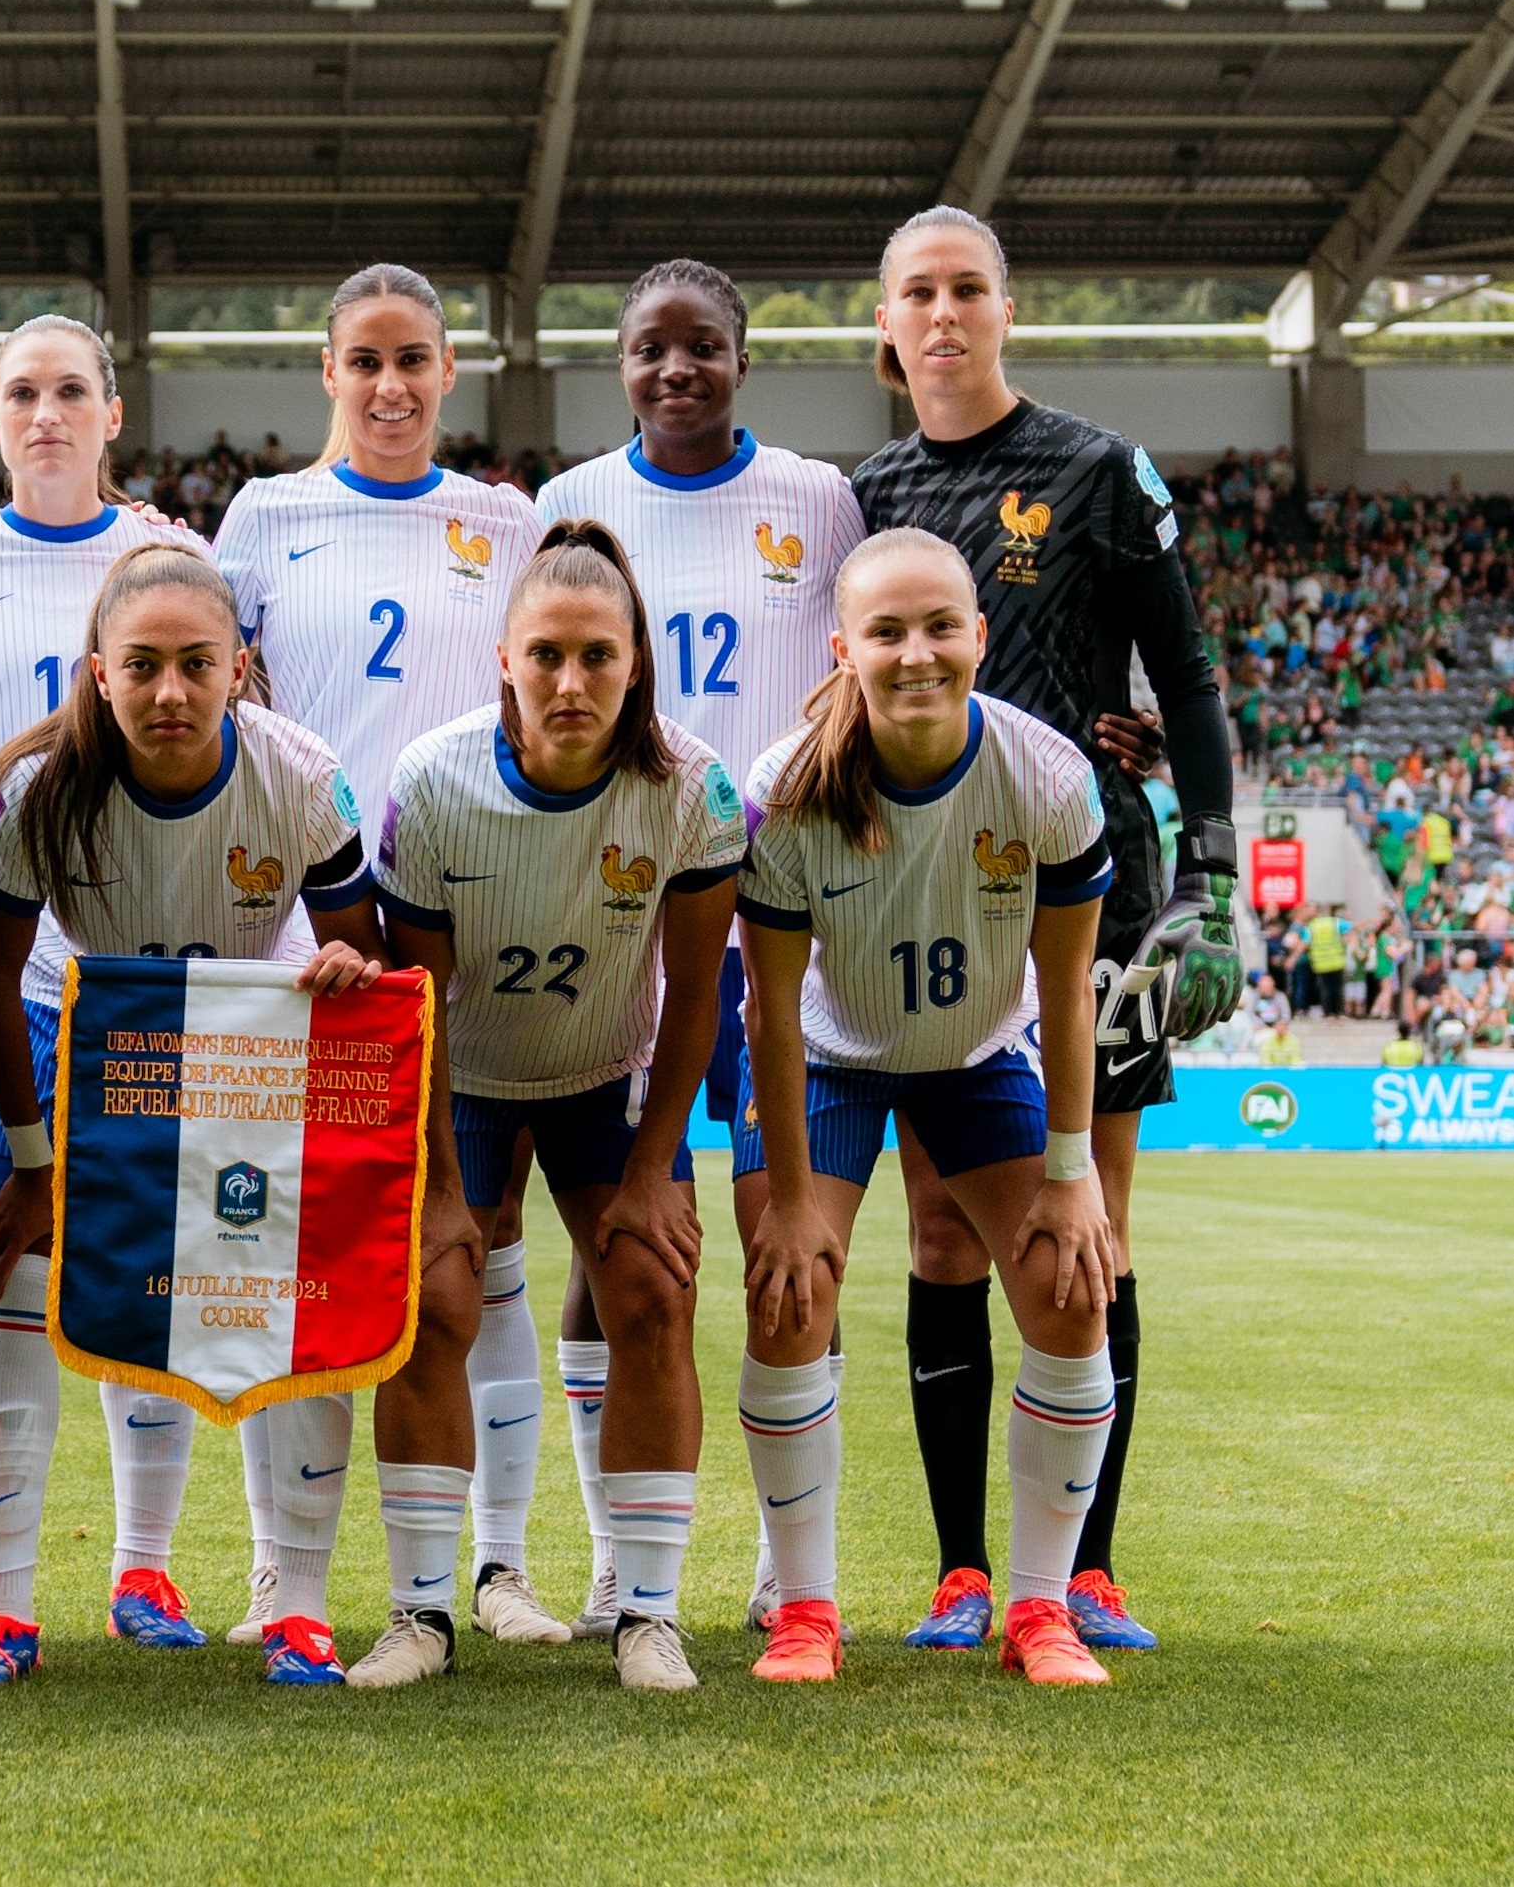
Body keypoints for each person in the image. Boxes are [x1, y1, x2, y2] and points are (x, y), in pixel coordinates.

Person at [0, 541, 473, 1687]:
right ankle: (3, 1606)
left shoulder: (298, 772)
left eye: (196, 664)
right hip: (88, 1044)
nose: (169, 692)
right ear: (97, 672)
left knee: (284, 1293)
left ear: (239, 667)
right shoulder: (33, 788)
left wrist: (343, 963)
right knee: (10, 1285)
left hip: (251, 1046)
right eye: (140, 666)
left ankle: (293, 1604)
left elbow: (364, 951)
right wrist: (36, 1164)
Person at [853, 206, 1240, 1655]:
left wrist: (1206, 872)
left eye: (965, 290)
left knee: (1093, 1223)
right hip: (918, 895)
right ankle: (962, 1572)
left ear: (1005, 309)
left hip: (1090, 890)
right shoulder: (865, 490)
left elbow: (1187, 685)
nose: (942, 315)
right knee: (944, 1228)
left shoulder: (1092, 470)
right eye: (917, 294)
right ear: (883, 325)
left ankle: (1085, 1571)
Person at [212, 261, 554, 1651]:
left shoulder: (506, 520)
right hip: (308, 944)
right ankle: (282, 1580)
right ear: (327, 373)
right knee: (298, 1262)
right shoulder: (263, 518)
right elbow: (231, 713)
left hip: (461, 935)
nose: (391, 385)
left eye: (413, 359)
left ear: (449, 370)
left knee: (488, 1245)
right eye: (365, 362)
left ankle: (501, 1565)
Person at [0, 315, 214, 1654]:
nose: (48, 413)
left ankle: (145, 1566)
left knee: (145, 1265)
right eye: (22, 392)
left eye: (71, 390)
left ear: (111, 412)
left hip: (141, 963)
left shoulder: (170, 558)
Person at [533, 258, 862, 1636]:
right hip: (617, 900)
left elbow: (854, 669)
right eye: (651, 350)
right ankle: (621, 1548)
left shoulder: (815, 497)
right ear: (620, 365)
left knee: (782, 1227)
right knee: (615, 1234)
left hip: (774, 900)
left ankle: (792, 1569)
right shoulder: (571, 506)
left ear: (742, 359)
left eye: (703, 347)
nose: (677, 369)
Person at [735, 527, 1119, 1689]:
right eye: (887, 632)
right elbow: (768, 1009)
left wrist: (1070, 1167)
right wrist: (794, 1199)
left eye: (940, 626)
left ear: (979, 637)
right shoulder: (785, 789)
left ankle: (1039, 1609)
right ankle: (805, 1609)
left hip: (976, 1056)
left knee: (1068, 1283)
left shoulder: (1047, 778)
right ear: (843, 646)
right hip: (829, 1060)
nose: (916, 653)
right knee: (788, 1289)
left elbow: (1063, 992)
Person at [376, 521, 744, 1690]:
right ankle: (421, 1614)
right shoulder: (431, 782)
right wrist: (440, 1186)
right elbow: (418, 1003)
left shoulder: (692, 787)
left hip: (606, 1081)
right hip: (465, 1082)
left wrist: (649, 1171)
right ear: (501, 656)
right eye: (546, 654)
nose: (571, 680)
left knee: (649, 1291)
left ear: (636, 657)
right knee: (432, 1303)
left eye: (597, 653)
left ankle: (647, 1612)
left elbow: (696, 994)